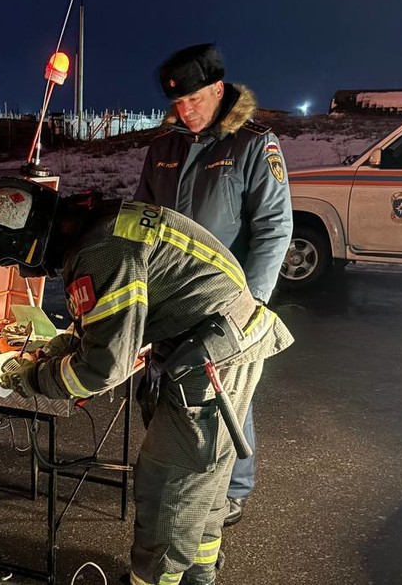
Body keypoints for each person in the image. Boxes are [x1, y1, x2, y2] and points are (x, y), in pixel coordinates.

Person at [0, 176, 293, 585]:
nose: (25, 272)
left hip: (210, 357)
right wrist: (64, 345)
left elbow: (102, 369)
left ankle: (155, 580)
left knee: (170, 483)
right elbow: (113, 320)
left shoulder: (100, 251)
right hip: (217, 341)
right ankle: (199, 575)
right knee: (202, 477)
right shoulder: (101, 225)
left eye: (14, 263)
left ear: (29, 247)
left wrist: (32, 379)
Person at [134, 43, 293, 527]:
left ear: (219, 90)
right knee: (170, 386)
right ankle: (179, 472)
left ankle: (235, 488)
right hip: (168, 296)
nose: (186, 111)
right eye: (178, 103)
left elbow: (273, 228)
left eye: (196, 100)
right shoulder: (163, 146)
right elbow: (140, 218)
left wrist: (253, 304)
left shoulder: (251, 144)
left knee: (225, 394)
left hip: (228, 300)